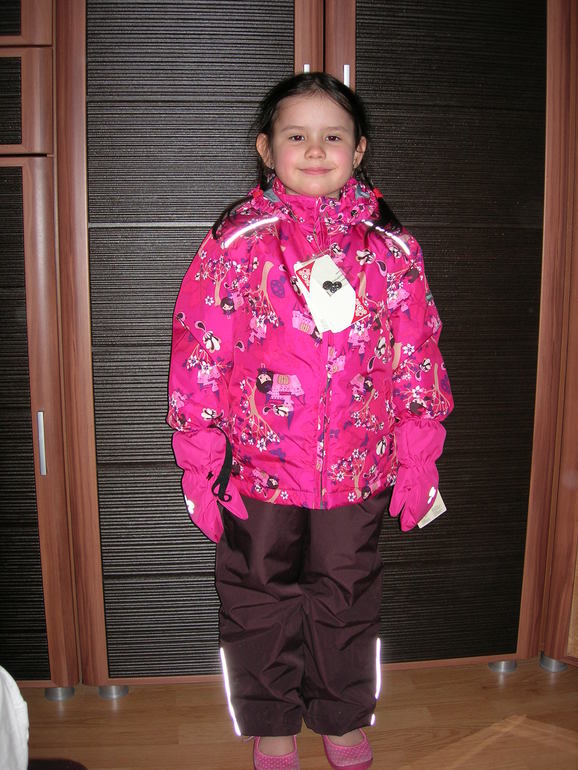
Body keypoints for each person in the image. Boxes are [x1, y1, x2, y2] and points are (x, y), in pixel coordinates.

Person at [167, 72, 453, 770]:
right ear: (268, 149)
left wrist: (419, 456)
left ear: (360, 150)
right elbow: (200, 351)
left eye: (334, 136)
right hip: (257, 472)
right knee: (257, 600)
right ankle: (271, 722)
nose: (316, 149)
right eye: (297, 135)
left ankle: (341, 714)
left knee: (346, 597)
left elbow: (417, 354)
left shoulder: (392, 249)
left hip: (358, 471)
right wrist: (201, 460)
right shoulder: (236, 244)